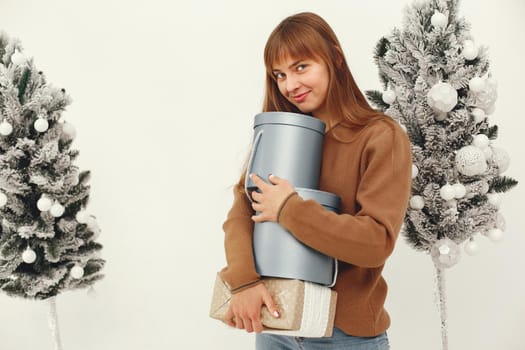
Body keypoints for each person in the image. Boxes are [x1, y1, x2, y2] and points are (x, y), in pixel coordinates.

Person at [219, 12, 412, 350]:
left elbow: (375, 241)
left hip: (344, 336)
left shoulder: (380, 137)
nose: (290, 85)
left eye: (301, 67)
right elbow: (240, 214)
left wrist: (290, 210)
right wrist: (243, 283)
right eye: (279, 74)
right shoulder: (280, 134)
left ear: (334, 58)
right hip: (275, 322)